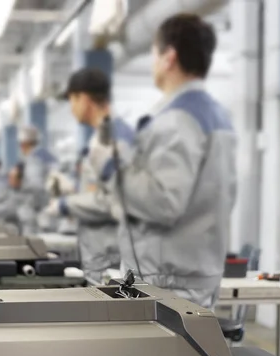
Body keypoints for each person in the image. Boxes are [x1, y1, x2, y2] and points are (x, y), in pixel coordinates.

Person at [87, 14, 237, 308]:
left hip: (166, 283)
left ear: (169, 57)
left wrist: (110, 167)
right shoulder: (216, 116)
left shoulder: (176, 121)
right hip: (192, 275)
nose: (153, 62)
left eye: (154, 54)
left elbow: (163, 202)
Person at [43, 67, 135, 282]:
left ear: (84, 99)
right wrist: (73, 190)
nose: (72, 108)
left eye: (72, 100)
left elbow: (115, 202)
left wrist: (67, 204)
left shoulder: (113, 141)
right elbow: (102, 190)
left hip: (109, 257)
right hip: (99, 254)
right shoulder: (102, 138)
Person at [18, 126, 57, 234]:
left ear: (24, 143)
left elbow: (36, 186)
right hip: (52, 211)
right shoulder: (48, 156)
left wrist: (20, 187)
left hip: (38, 216)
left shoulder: (34, 158)